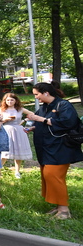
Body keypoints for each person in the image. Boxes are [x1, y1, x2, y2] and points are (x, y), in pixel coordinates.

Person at [25, 81, 83, 220]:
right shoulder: (44, 107)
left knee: (53, 175)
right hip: (47, 148)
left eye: (37, 94)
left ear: (46, 92)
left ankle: (64, 210)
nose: (36, 98)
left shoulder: (63, 105)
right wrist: (32, 127)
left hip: (61, 148)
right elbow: (41, 122)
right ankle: (58, 205)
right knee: (47, 175)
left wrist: (40, 119)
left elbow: (67, 123)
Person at [0, 92, 33, 178]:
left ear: (15, 100)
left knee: (19, 150)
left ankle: (17, 171)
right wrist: (4, 120)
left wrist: (23, 121)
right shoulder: (2, 109)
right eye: (8, 100)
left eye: (12, 100)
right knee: (5, 151)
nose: (10, 102)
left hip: (18, 130)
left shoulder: (20, 109)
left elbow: (32, 114)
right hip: (7, 130)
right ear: (5, 101)